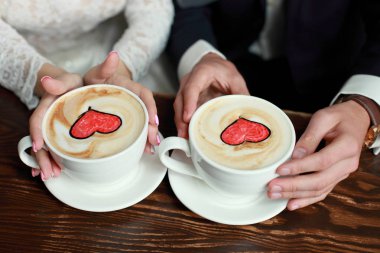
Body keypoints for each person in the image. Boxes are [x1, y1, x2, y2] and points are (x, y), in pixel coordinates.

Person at [166, 0, 380, 210]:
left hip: (332, 85)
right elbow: (187, 8)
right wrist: (203, 56)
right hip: (225, 68)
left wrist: (365, 103)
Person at [0, 0, 174, 181]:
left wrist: (121, 69)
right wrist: (41, 76)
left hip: (114, 52)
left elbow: (153, 7)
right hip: (25, 58)